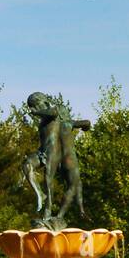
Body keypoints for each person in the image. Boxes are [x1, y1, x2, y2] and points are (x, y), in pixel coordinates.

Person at [23, 92, 91, 229]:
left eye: (35, 106)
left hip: (59, 155)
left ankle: (54, 215)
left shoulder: (57, 116)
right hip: (53, 154)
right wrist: (86, 126)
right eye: (32, 107)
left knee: (53, 180)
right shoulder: (57, 123)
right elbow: (86, 123)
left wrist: (35, 113)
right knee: (27, 165)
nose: (33, 109)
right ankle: (48, 203)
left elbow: (53, 112)